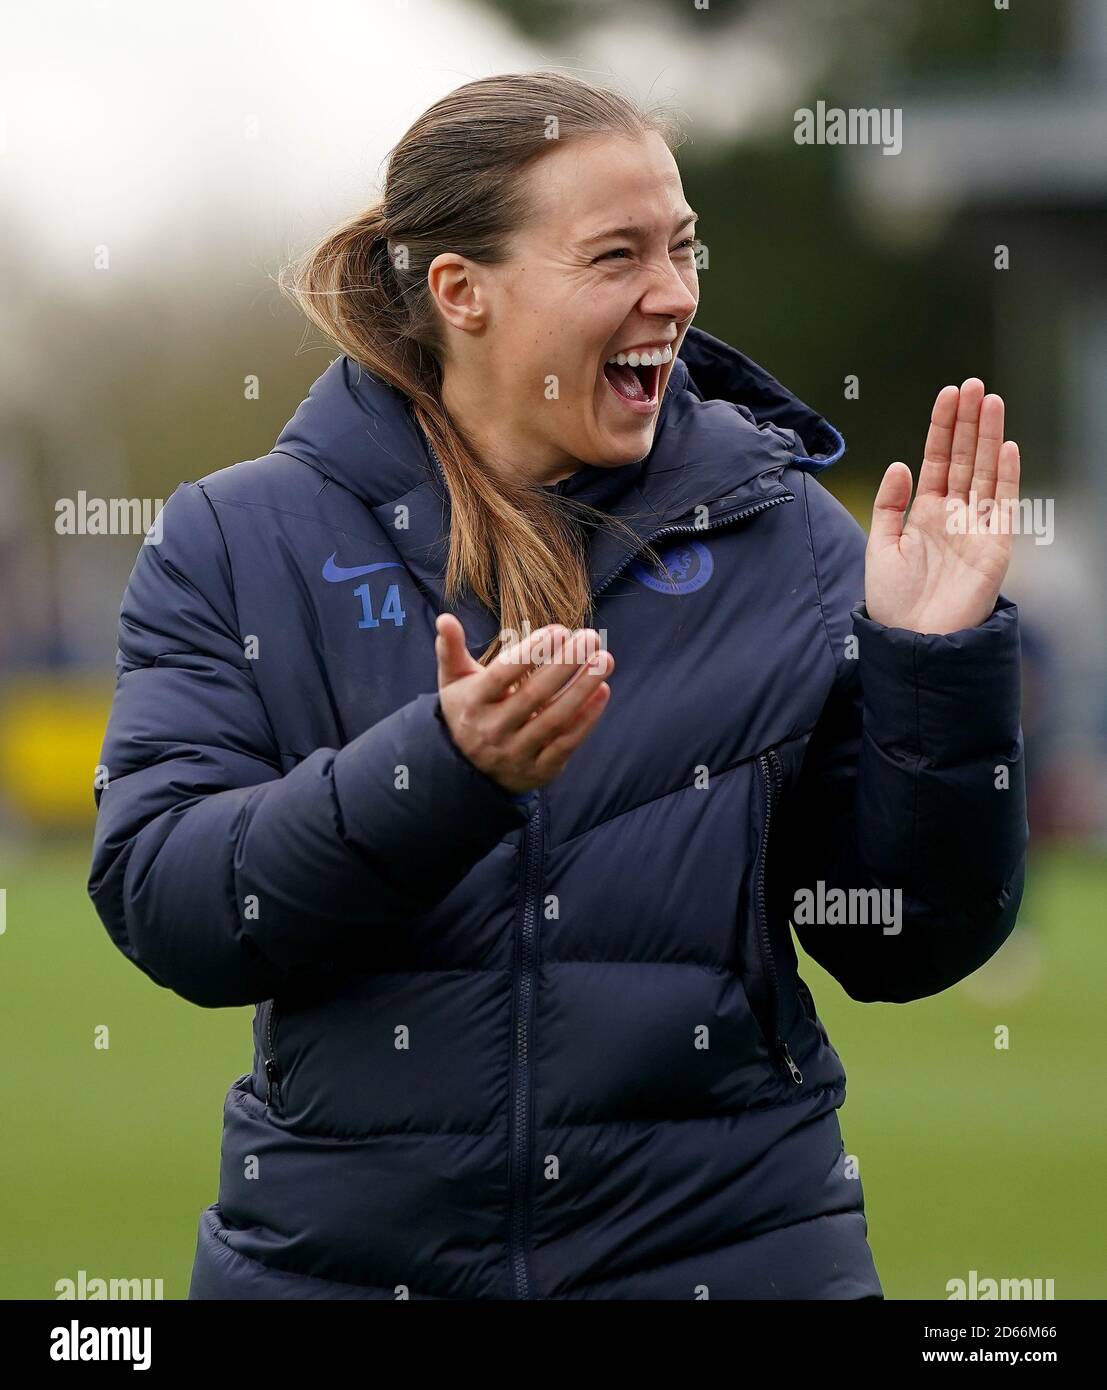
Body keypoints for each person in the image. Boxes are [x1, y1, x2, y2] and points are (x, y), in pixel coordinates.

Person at [87, 71, 1028, 1300]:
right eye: (616, 254)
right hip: (339, 1270)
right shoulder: (237, 538)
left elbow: (906, 943)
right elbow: (172, 903)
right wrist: (440, 772)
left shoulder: (787, 536)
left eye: (684, 248)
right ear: (460, 292)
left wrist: (931, 673)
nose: (675, 294)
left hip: (735, 1261)